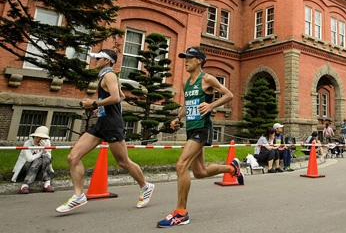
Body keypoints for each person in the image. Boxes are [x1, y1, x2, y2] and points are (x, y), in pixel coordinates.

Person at [57, 49, 155, 213]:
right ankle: (79, 196)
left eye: (98, 58)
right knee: (73, 156)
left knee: (123, 162)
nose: (95, 60)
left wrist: (94, 104)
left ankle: (146, 187)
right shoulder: (107, 76)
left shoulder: (109, 75)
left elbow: (116, 98)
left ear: (107, 61)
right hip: (102, 123)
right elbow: (121, 96)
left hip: (112, 124)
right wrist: (101, 107)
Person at [157, 47, 242, 228]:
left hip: (203, 128)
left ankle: (181, 213)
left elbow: (229, 94)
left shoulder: (207, 79)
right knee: (200, 172)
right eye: (185, 58)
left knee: (181, 165)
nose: (185, 61)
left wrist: (212, 106)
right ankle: (232, 168)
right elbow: (186, 104)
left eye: (189, 58)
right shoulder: (186, 83)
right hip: (191, 128)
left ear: (199, 61)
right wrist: (177, 118)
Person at [12, 126, 54, 194]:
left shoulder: (47, 142)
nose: (38, 140)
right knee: (38, 160)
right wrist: (40, 153)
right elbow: (29, 159)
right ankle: (25, 185)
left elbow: (50, 158)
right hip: (26, 167)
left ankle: (47, 184)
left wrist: (45, 150)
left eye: (41, 138)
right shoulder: (28, 143)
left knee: (46, 159)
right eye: (37, 137)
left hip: (39, 167)